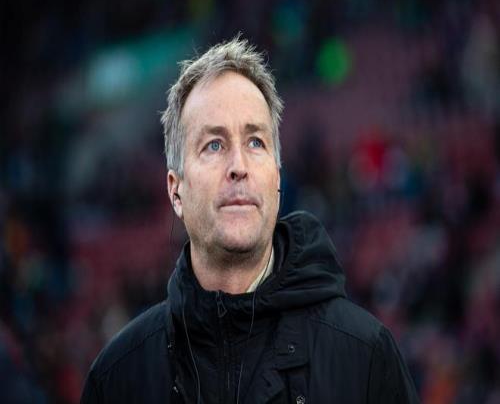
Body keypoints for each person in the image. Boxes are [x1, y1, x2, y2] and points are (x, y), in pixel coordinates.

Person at [81, 37, 419, 403]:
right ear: (175, 191)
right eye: (214, 145)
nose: (238, 166)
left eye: (256, 142)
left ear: (277, 179)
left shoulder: (366, 358)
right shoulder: (117, 378)